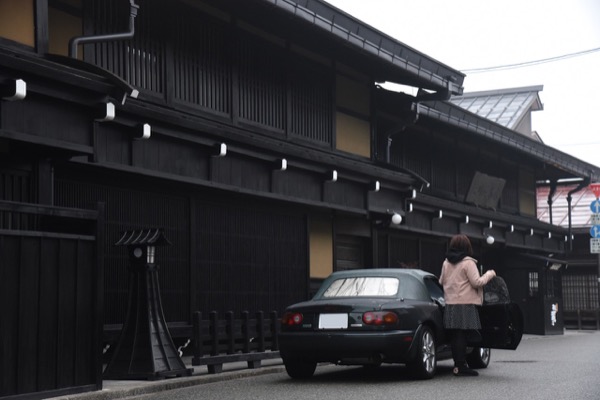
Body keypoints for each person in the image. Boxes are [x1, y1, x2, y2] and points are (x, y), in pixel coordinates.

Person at [439, 234, 496, 377]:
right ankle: (461, 366)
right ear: (467, 246)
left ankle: (458, 365)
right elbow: (477, 282)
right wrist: (490, 274)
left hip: (450, 303)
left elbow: (441, 281)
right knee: (463, 335)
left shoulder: (446, 262)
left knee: (456, 335)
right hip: (465, 303)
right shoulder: (468, 263)